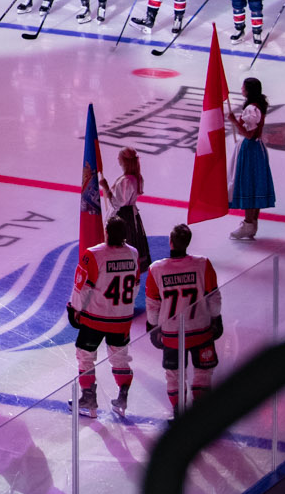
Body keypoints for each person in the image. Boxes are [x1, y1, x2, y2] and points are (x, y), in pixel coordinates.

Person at [69, 216, 142, 417]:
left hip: (95, 318)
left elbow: (82, 288)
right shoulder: (133, 253)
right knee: (120, 357)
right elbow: (136, 286)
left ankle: (88, 399)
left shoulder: (93, 254)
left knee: (85, 355)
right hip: (122, 319)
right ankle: (123, 397)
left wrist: (75, 308)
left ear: (106, 232)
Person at [145, 224, 223, 410]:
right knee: (203, 372)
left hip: (172, 334)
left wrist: (153, 326)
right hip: (201, 329)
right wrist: (216, 318)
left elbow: (153, 304)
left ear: (170, 242)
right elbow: (214, 297)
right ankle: (200, 413)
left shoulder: (156, 269)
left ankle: (179, 413)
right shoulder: (203, 264)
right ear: (188, 242)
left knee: (174, 375)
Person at [229, 77, 274, 240]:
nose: (241, 89)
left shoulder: (251, 109)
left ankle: (248, 223)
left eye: (243, 87)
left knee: (249, 184)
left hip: (249, 149)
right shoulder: (258, 106)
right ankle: (253, 223)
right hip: (257, 148)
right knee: (255, 184)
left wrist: (234, 122)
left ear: (248, 90)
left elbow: (249, 134)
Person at [102, 146, 151, 275]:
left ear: (124, 160)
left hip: (123, 216)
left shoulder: (126, 181)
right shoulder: (136, 178)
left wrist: (106, 188)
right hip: (130, 215)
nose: (117, 158)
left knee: (120, 242)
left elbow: (118, 203)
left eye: (119, 157)